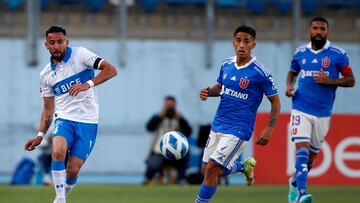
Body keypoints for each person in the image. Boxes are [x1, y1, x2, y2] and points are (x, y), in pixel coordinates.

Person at [24, 25, 117, 203]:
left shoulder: (80, 55)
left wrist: (87, 84)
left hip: (88, 121)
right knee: (57, 151)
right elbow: (48, 110)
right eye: (52, 43)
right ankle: (60, 199)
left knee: (73, 170)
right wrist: (40, 135)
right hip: (64, 119)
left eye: (60, 42)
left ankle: (61, 197)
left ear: (66, 41)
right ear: (46, 45)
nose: (57, 46)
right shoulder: (46, 75)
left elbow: (111, 70)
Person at [195, 25, 281, 203]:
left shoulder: (260, 72)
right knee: (207, 171)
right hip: (218, 124)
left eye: (246, 41)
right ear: (233, 42)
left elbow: (275, 102)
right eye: (238, 40)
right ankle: (243, 167)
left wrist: (269, 128)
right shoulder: (226, 64)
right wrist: (208, 92)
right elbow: (220, 88)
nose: (241, 45)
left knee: (212, 168)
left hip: (239, 129)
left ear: (253, 45)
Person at [286, 17, 355, 203]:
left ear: (328, 32)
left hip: (323, 113)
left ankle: (293, 184)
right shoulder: (300, 52)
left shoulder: (338, 54)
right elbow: (292, 71)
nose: (318, 31)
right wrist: (289, 86)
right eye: (315, 28)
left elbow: (351, 80)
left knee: (310, 159)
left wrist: (330, 81)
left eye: (322, 29)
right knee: (301, 150)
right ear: (310, 31)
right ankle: (302, 194)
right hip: (300, 107)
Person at [144, 96, 192, 184]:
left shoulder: (179, 118)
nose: (170, 108)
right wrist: (159, 116)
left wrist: (180, 119)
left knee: (186, 153)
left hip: (176, 151)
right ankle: (148, 178)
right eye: (168, 106)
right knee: (152, 165)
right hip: (159, 151)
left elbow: (189, 132)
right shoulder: (158, 117)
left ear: (175, 106)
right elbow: (149, 127)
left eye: (172, 106)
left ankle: (181, 178)